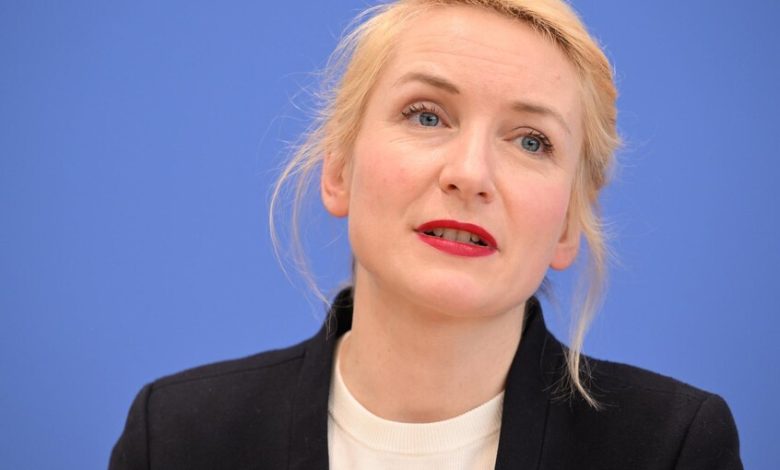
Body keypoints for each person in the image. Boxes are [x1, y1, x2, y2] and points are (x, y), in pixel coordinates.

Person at [110, 0, 742, 468]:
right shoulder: (176, 438)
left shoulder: (671, 446)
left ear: (569, 224)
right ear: (339, 170)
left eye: (531, 141)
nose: (470, 174)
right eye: (427, 116)